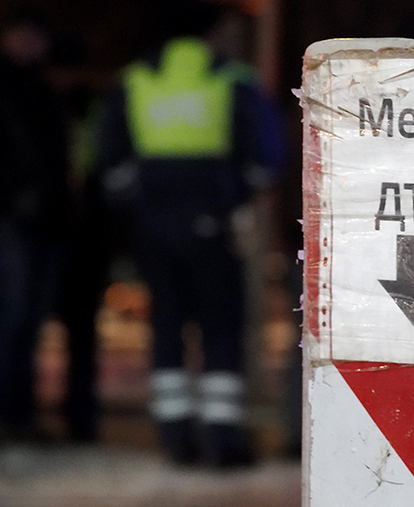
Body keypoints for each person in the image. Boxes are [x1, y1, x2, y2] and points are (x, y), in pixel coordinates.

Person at [96, 1, 285, 466]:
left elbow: (107, 160)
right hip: (213, 223)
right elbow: (267, 157)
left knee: (167, 325)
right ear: (211, 33)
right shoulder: (231, 77)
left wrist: (143, 195)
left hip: (154, 225)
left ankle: (175, 437)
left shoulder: (137, 78)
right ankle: (223, 438)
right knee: (220, 326)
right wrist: (234, 192)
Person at [0, 8, 72, 441]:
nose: (31, 44)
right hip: (5, 221)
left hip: (43, 221)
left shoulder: (44, 86)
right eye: (23, 35)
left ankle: (20, 415)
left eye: (36, 36)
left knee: (29, 320)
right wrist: (1, 204)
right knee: (9, 317)